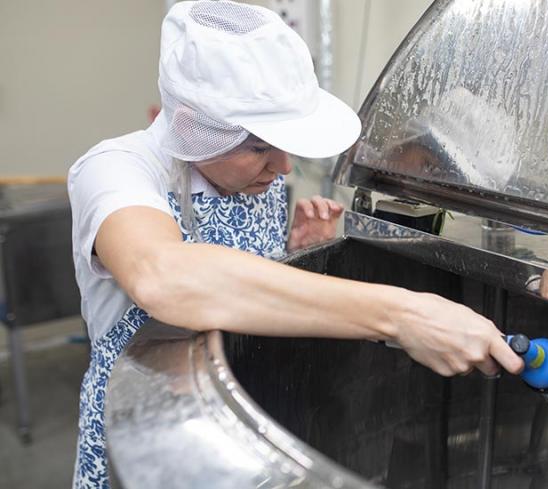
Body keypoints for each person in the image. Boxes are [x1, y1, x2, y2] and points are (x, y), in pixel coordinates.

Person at [67, 2, 523, 487]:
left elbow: (243, 287)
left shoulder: (256, 180)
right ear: (191, 127)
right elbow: (163, 278)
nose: (283, 168)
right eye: (260, 147)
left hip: (248, 413)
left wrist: (294, 255)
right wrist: (404, 314)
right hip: (150, 442)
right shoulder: (116, 168)